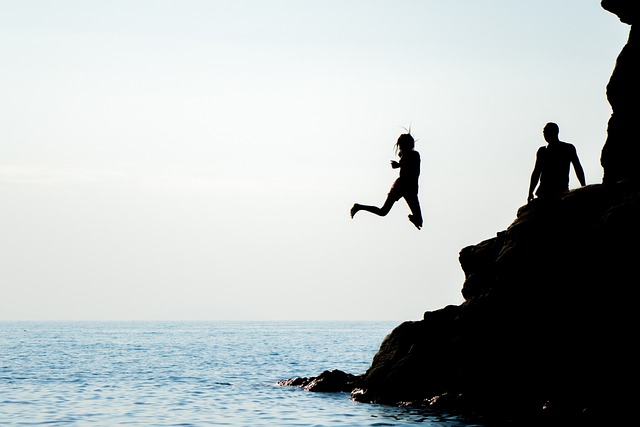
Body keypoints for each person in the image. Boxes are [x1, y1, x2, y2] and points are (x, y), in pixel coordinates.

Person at [351, 132, 423, 230]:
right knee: (383, 211)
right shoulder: (404, 156)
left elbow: (410, 164)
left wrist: (399, 165)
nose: (401, 149)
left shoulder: (414, 155)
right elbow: (405, 162)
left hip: (411, 188)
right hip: (401, 186)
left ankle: (415, 219)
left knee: (419, 221)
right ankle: (358, 207)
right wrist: (399, 164)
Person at [527, 122, 586, 203]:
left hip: (560, 190)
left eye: (547, 131)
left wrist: (583, 186)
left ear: (555, 132)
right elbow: (536, 172)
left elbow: (578, 168)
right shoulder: (542, 151)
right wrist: (530, 192)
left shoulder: (567, 148)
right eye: (544, 132)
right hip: (544, 191)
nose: (545, 134)